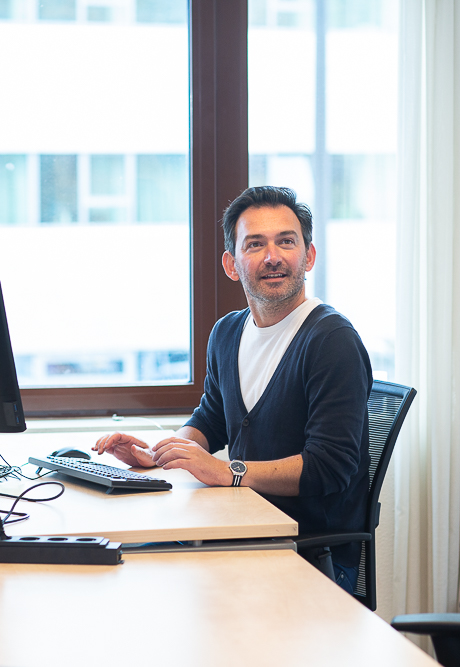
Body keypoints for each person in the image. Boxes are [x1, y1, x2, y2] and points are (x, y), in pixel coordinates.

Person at [93, 186, 373, 593]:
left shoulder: (332, 340)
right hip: (243, 532)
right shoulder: (227, 332)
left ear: (308, 256)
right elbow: (211, 418)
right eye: (255, 244)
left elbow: (330, 467)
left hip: (308, 555)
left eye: (286, 242)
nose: (273, 256)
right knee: (122, 567)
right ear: (232, 263)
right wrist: (159, 455)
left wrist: (229, 472)